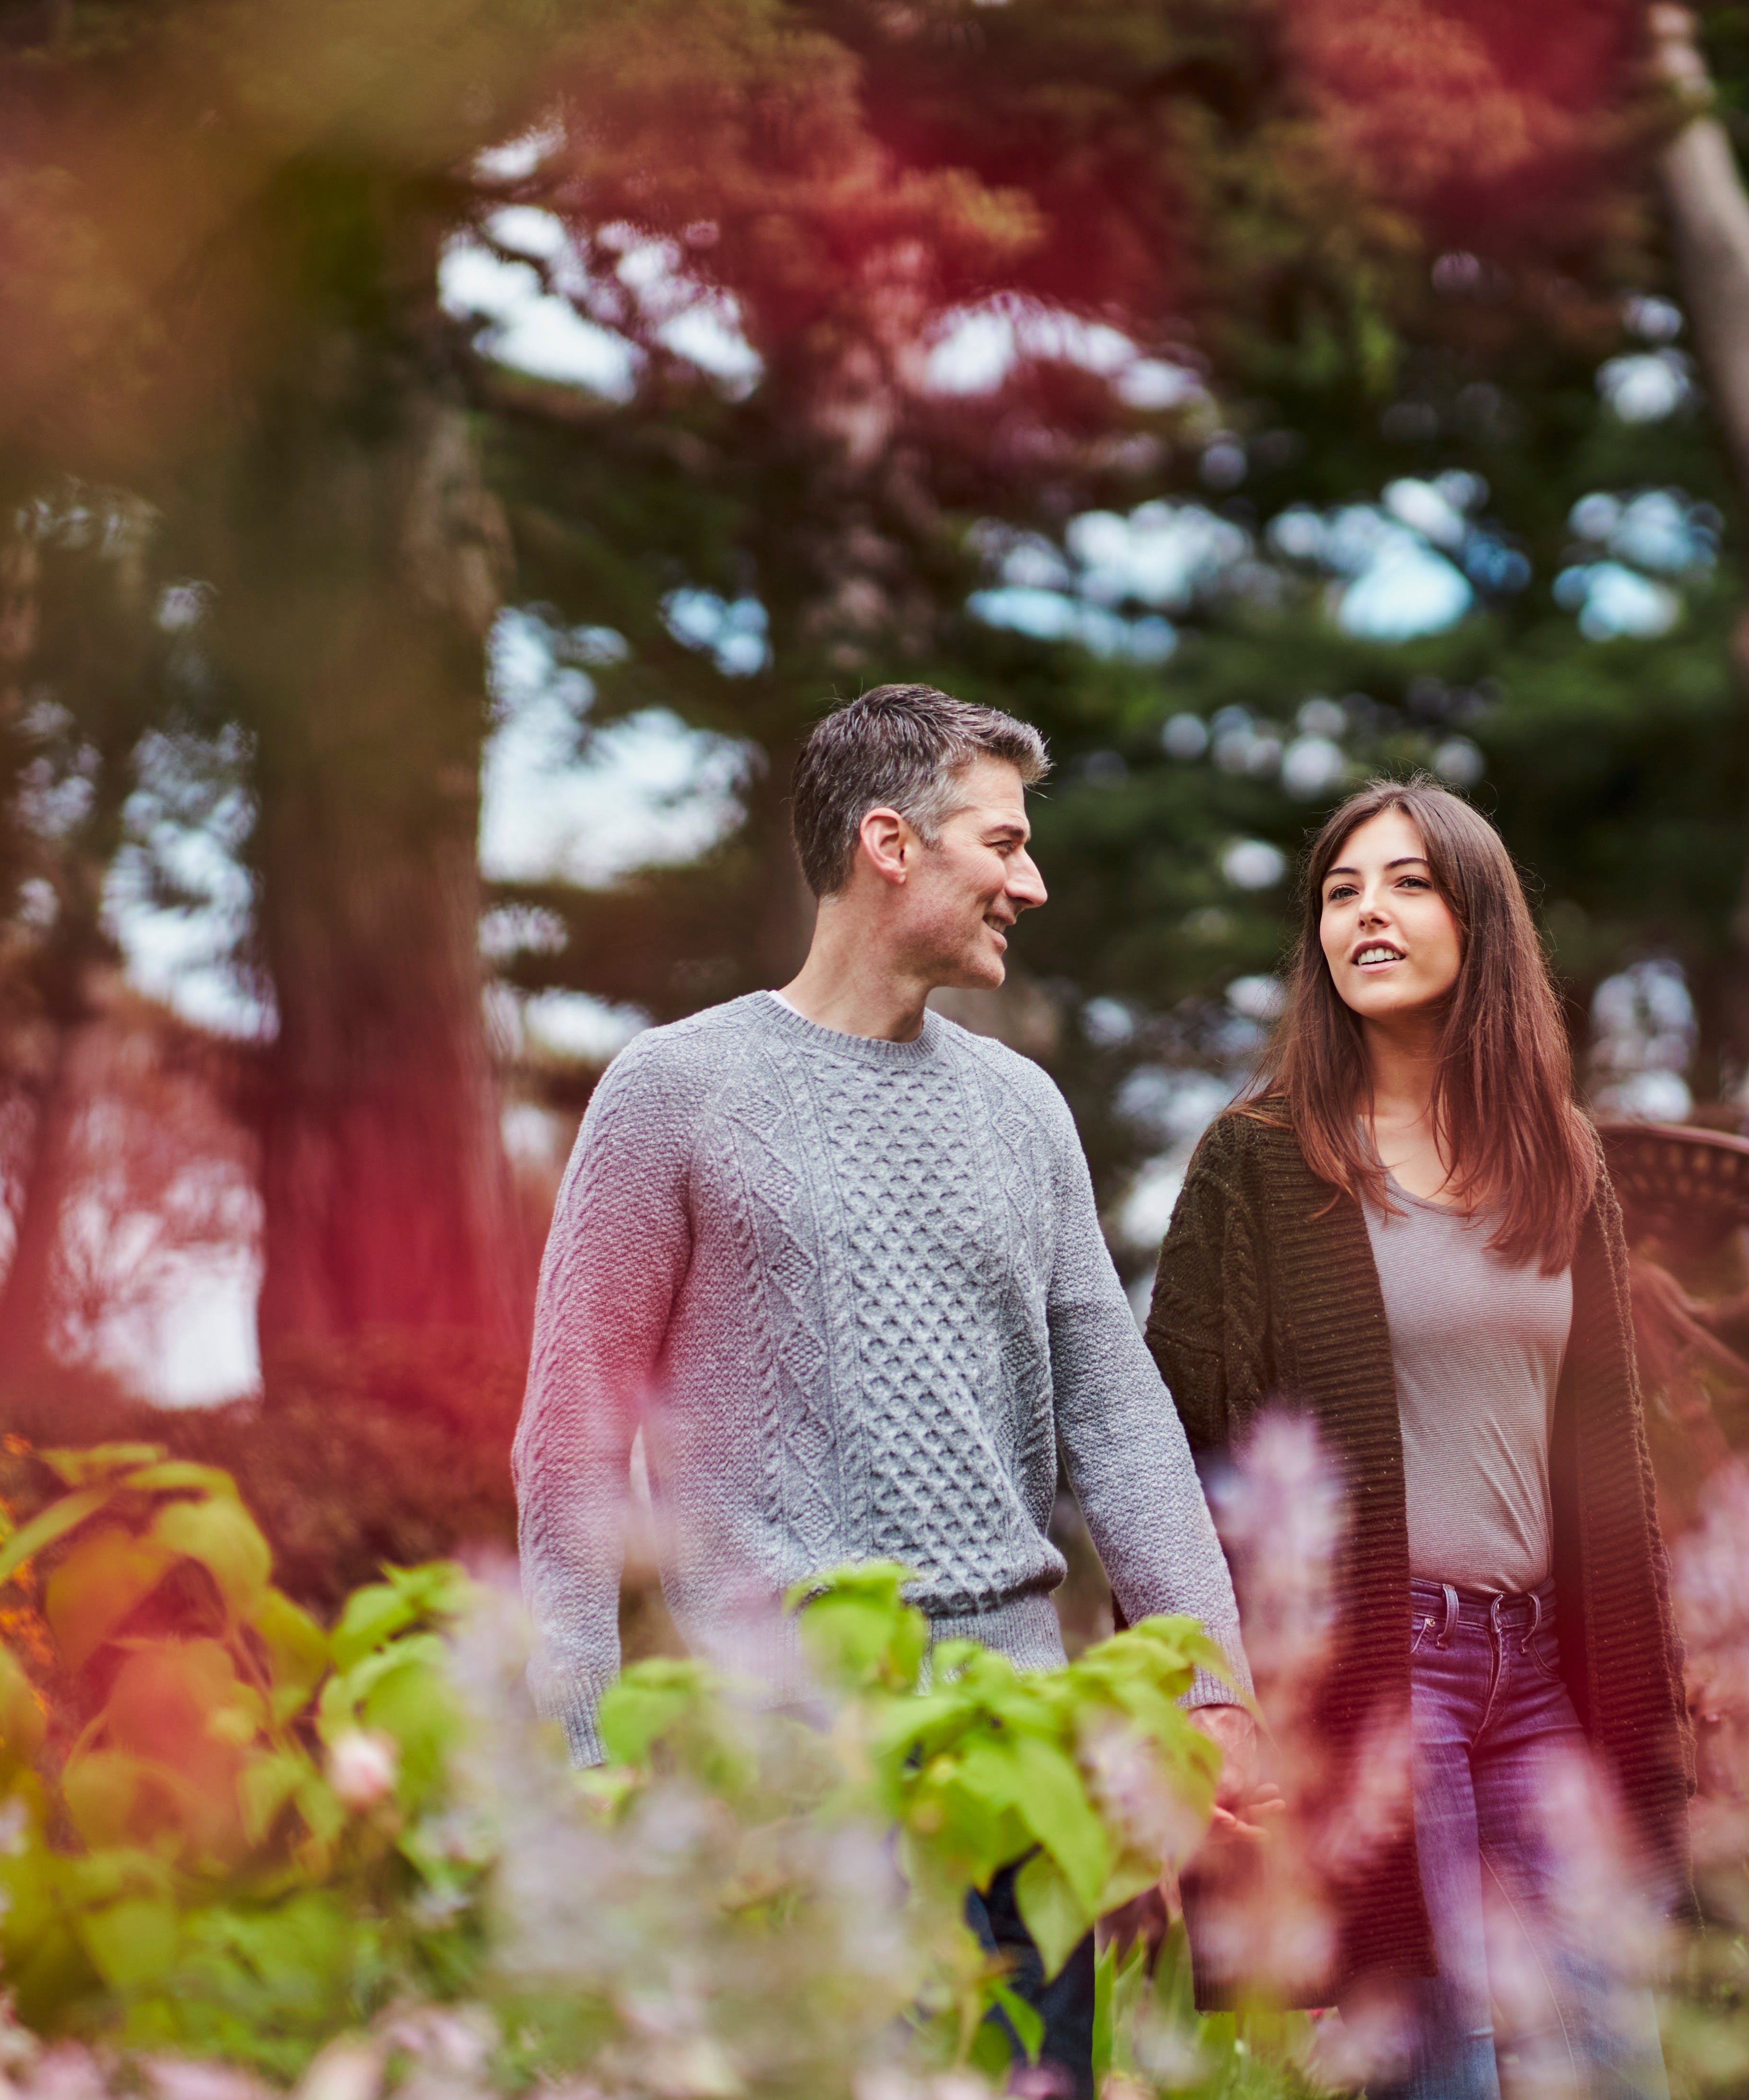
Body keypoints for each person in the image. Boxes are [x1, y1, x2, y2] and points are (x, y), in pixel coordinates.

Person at [512, 683, 1260, 2100]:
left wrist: (1211, 1682)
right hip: (798, 1774)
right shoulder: (673, 1091)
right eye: (1004, 843)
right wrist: (583, 1748)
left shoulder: (1025, 1111)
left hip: (1026, 1770)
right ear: (889, 843)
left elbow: (1120, 1415)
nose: (1030, 883)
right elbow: (571, 1448)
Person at [1145, 780, 1689, 2100]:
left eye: (1405, 884)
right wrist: (1204, 1698)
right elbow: (1170, 1449)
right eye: (1341, 891)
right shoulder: (1261, 1162)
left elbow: (1612, 1462)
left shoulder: (1565, 1162)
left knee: (1611, 2052)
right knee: (1443, 2064)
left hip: (1546, 1670)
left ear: (1479, 923)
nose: (1365, 914)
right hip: (1390, 1676)